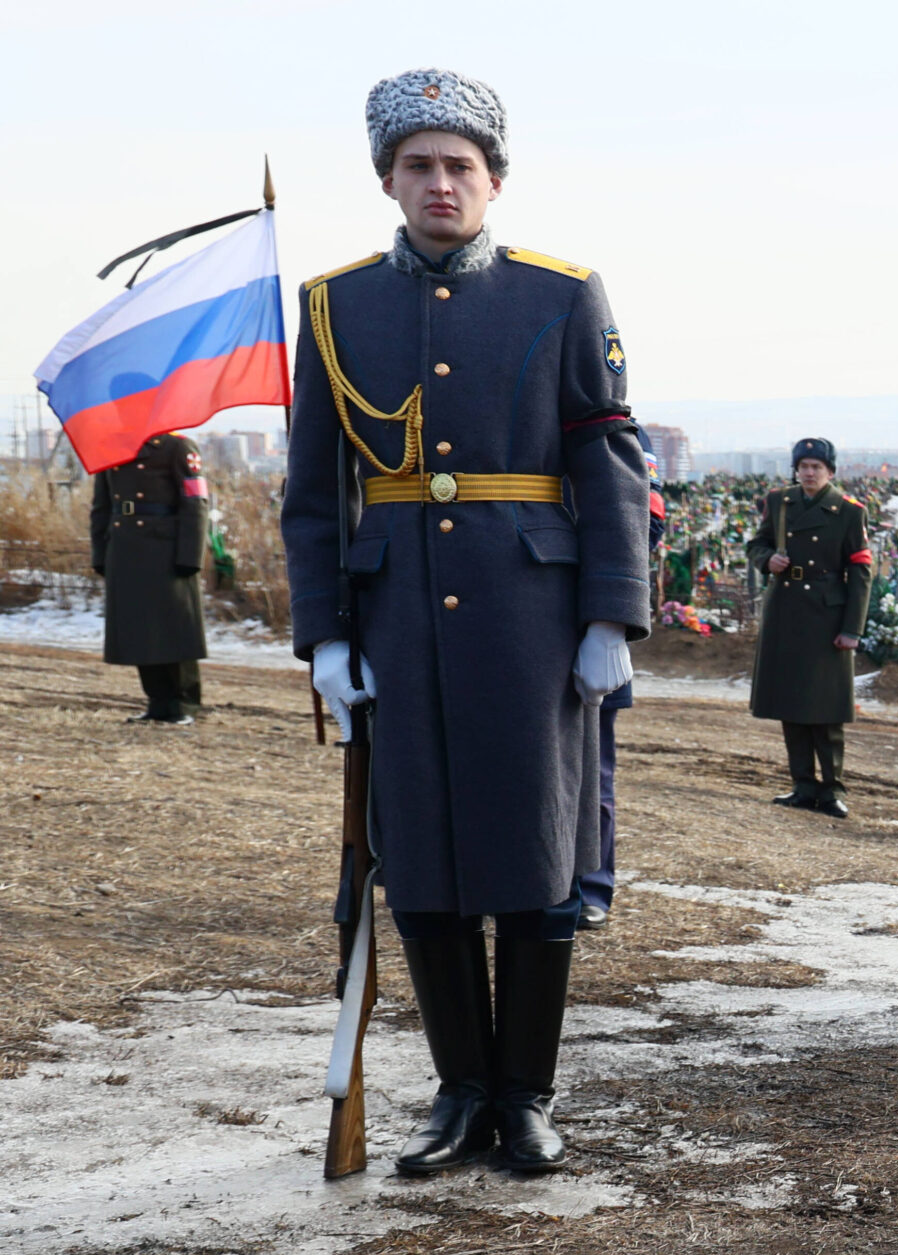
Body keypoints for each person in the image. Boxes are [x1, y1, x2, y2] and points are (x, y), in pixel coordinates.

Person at [286, 67, 650, 1176]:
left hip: (532, 617)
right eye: (418, 167)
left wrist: (609, 614)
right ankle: (457, 1094)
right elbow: (315, 491)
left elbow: (610, 460)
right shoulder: (333, 306)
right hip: (397, 616)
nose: (440, 183)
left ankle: (525, 1097)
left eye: (459, 166)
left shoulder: (562, 293)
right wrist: (329, 636)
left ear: (495, 179)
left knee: (537, 852)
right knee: (424, 856)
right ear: (386, 180)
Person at [749, 438, 872, 816]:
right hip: (787, 611)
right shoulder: (779, 502)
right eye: (803, 465)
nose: (809, 472)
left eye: (817, 466)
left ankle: (831, 789)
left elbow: (861, 571)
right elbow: (757, 544)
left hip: (826, 615)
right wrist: (767, 560)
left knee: (826, 709)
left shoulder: (849, 512)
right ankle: (802, 784)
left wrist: (852, 628)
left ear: (830, 472)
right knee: (792, 704)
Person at [579, 427, 660, 929]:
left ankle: (591, 885)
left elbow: (645, 525)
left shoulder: (624, 435)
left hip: (594, 609)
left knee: (595, 771)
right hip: (525, 617)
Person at [90, 431, 208, 724]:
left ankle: (184, 704)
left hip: (166, 549)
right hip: (125, 547)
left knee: (175, 627)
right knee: (139, 629)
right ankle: (158, 702)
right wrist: (100, 554)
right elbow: (101, 507)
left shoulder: (178, 447)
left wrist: (190, 556)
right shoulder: (111, 447)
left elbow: (195, 502)